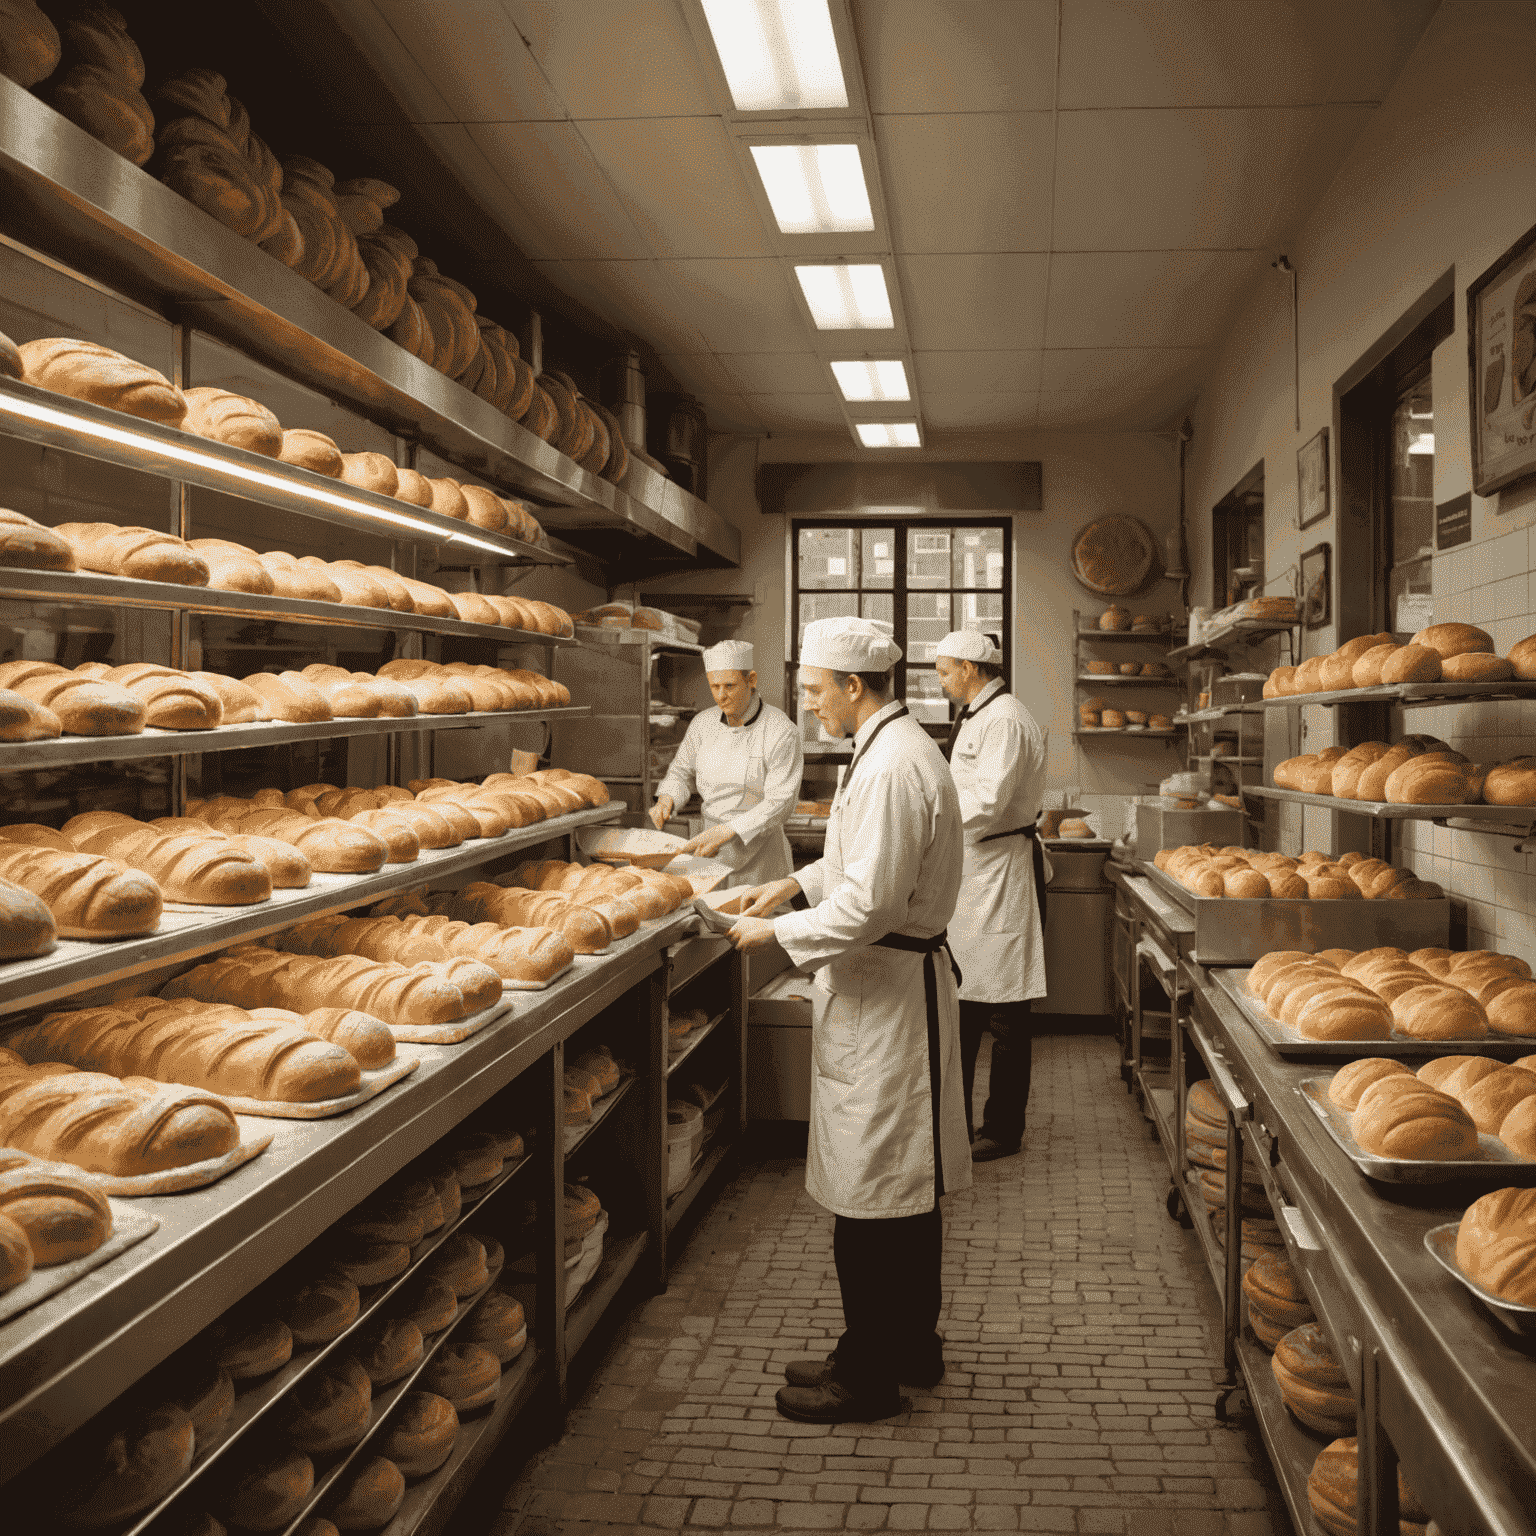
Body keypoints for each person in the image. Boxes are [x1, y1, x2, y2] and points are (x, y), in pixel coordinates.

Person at [728, 616, 970, 1425]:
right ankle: (903, 1345)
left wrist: (777, 935)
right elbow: (855, 861)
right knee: (899, 1191)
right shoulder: (886, 751)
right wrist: (793, 887)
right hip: (887, 991)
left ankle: (868, 1376)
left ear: (853, 687)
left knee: (873, 1198)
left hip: (887, 1001)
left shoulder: (895, 766)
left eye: (812, 691)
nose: (808, 706)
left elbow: (869, 902)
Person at [934, 630, 1048, 1162]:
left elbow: (988, 802)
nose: (940, 680)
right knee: (967, 1004)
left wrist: (931, 832)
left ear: (970, 668)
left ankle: (1002, 1128)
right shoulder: (979, 714)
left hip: (999, 875)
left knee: (1005, 1014)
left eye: (943, 671)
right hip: (976, 876)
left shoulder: (1004, 720)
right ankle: (953, 1123)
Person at [648, 640, 802, 888]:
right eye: (714, 686)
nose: (721, 695)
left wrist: (729, 830)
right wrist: (667, 798)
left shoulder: (780, 730)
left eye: (729, 686)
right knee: (709, 920)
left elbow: (781, 801)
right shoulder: (702, 724)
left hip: (761, 856)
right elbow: (680, 772)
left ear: (751, 680)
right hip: (709, 850)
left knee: (755, 922)